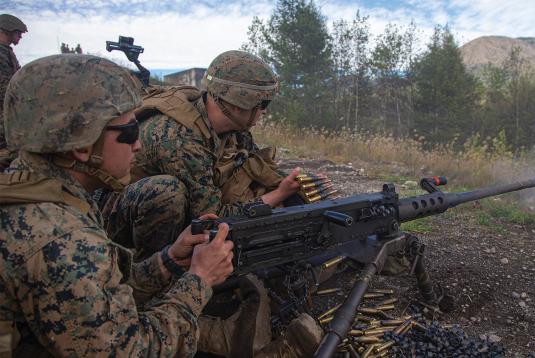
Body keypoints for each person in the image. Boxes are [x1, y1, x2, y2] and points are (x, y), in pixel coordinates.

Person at [0, 54, 321, 357]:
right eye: (128, 131)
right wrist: (199, 281)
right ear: (83, 146)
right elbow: (132, 351)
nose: (139, 143)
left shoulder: (49, 195)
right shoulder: (62, 239)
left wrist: (167, 261)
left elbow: (110, 293)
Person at [98, 50, 301, 260]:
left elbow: (255, 162)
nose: (264, 111)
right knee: (168, 192)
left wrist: (293, 182)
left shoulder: (230, 127)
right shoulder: (179, 139)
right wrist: (279, 194)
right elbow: (213, 218)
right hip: (115, 213)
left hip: (161, 204)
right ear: (236, 104)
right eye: (263, 104)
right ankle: (155, 268)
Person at [0, 13, 27, 171]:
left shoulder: (6, 52)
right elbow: (5, 88)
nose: (20, 37)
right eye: (18, 32)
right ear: (6, 30)